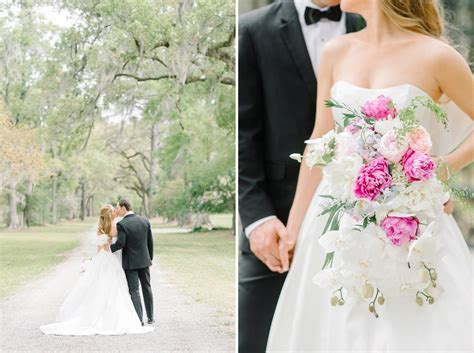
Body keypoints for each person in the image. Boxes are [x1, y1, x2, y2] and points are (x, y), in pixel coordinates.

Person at [266, 0, 473, 351]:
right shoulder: (335, 52)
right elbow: (320, 140)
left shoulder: (437, 56)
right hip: (335, 220)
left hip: (411, 223)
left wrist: (444, 166)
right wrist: (293, 227)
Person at [238, 0, 365, 351]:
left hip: (362, 221)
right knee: (257, 339)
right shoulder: (251, 30)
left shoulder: (370, 22)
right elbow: (242, 134)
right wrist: (257, 218)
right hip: (276, 223)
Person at [40, 205, 154, 335]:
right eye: (113, 210)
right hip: (112, 259)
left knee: (103, 288)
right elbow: (121, 243)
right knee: (117, 289)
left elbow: (100, 250)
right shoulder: (116, 226)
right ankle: (128, 317)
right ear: (110, 214)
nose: (116, 211)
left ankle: (103, 313)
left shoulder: (101, 229)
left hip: (103, 259)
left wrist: (94, 262)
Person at [111, 199, 155, 325]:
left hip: (130, 263)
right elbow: (149, 242)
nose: (117, 210)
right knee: (147, 287)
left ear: (124, 208)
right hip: (144, 260)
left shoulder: (122, 224)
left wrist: (109, 249)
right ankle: (151, 317)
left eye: (118, 208)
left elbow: (121, 243)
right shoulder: (144, 220)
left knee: (134, 290)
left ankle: (139, 319)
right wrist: (149, 258)